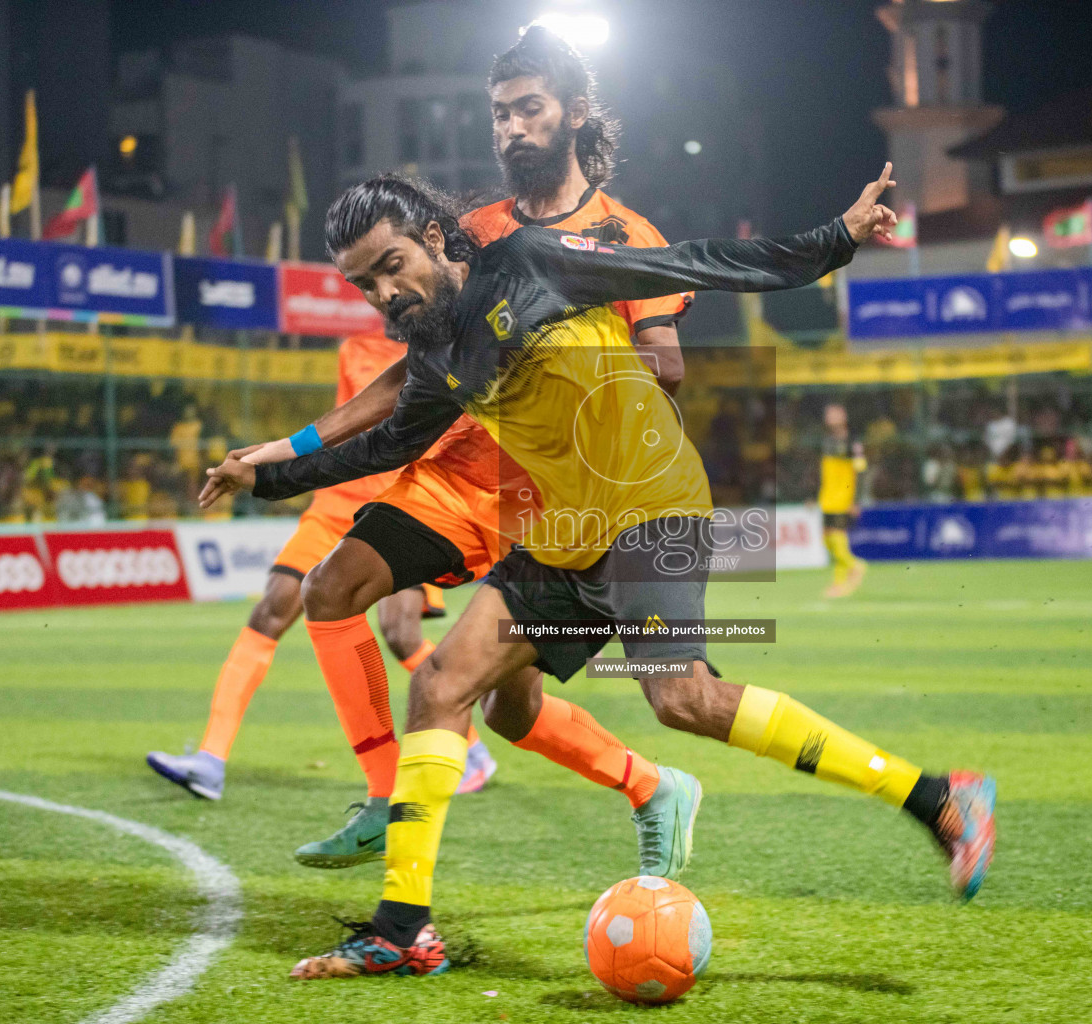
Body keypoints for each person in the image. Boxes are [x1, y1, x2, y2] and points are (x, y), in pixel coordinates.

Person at [202, 164, 995, 979]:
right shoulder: (438, 350)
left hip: (654, 505)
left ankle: (939, 798)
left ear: (434, 238)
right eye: (365, 282)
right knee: (442, 686)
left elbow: (691, 262)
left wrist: (836, 238)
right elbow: (391, 443)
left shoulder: (535, 261)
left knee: (684, 699)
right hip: (566, 529)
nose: (383, 292)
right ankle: (403, 931)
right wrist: (265, 476)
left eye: (392, 264)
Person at [171, 28, 704, 878]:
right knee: (332, 589)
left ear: (571, 116)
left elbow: (660, 368)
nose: (513, 129)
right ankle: (389, 802)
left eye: (529, 110)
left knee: (513, 709)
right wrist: (277, 451)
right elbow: (397, 386)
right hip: (445, 481)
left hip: (543, 500)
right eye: (501, 114)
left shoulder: (620, 236)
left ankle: (650, 788)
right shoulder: (474, 235)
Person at [146, 329, 490, 811]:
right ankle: (210, 759)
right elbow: (346, 421)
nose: (383, 297)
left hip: (405, 505)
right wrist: (277, 459)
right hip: (333, 504)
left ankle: (472, 750)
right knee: (270, 611)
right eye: (369, 286)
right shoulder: (356, 348)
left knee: (401, 633)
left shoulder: (454, 344)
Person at [819, 403, 868, 597]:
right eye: (828, 414)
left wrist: (856, 499)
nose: (830, 417)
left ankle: (851, 570)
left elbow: (861, 471)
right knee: (828, 540)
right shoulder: (827, 440)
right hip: (827, 497)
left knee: (837, 536)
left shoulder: (852, 441)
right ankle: (846, 573)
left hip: (843, 497)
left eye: (834, 413)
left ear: (844, 416)